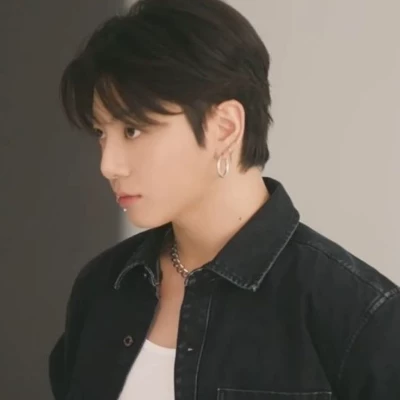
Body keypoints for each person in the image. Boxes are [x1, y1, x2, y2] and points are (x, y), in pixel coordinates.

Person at [49, 0, 400, 399]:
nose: (108, 165)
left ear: (225, 127)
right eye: (101, 133)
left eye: (132, 130)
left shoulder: (359, 314)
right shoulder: (102, 288)